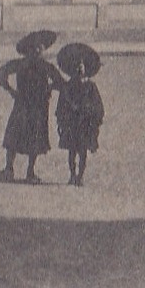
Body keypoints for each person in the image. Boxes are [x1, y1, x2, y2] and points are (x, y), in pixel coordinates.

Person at [0, 30, 63, 183]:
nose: (38, 51)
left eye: (41, 47)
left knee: (35, 138)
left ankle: (30, 172)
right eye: (35, 47)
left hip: (39, 107)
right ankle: (8, 169)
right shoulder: (20, 64)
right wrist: (11, 90)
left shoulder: (47, 67)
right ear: (28, 50)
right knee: (13, 136)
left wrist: (50, 88)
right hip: (23, 105)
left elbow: (60, 83)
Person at [55, 42, 105, 187]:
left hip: (84, 124)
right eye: (77, 65)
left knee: (83, 152)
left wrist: (88, 110)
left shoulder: (91, 86)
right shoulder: (68, 87)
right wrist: (63, 118)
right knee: (71, 151)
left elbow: (98, 105)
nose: (79, 67)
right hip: (72, 124)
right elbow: (61, 105)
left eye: (82, 65)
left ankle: (80, 176)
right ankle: (71, 175)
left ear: (86, 68)